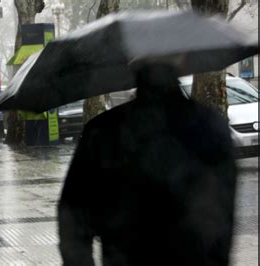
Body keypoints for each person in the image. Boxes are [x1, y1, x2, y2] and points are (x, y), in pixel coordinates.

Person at [57, 64, 237, 266]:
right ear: (182, 59)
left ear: (132, 65)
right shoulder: (211, 128)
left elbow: (73, 222)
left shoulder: (103, 131)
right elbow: (222, 227)